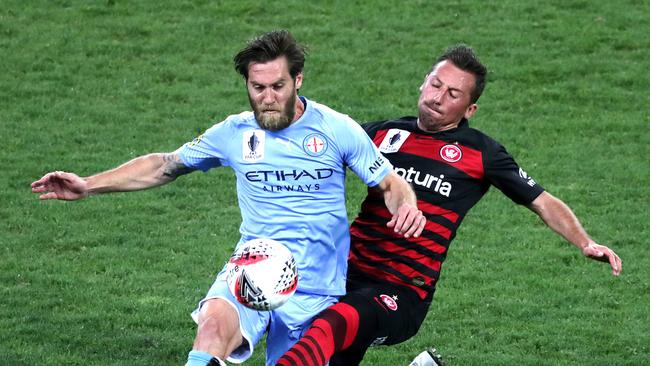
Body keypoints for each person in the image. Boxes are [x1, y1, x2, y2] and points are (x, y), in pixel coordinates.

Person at [30, 30, 427, 366]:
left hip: (316, 289)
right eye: (258, 88)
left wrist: (406, 203)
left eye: (277, 86)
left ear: (298, 81)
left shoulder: (337, 129)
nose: (267, 97)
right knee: (212, 326)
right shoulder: (233, 133)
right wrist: (88, 184)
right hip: (250, 271)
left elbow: (388, 182)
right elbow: (165, 164)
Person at [276, 44, 622, 366]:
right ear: (423, 83)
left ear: (470, 108)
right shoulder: (383, 134)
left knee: (336, 321)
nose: (438, 97)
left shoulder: (481, 152)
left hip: (402, 293)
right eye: (435, 84)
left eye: (453, 93)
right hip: (340, 275)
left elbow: (542, 202)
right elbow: (318, 153)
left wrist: (584, 241)